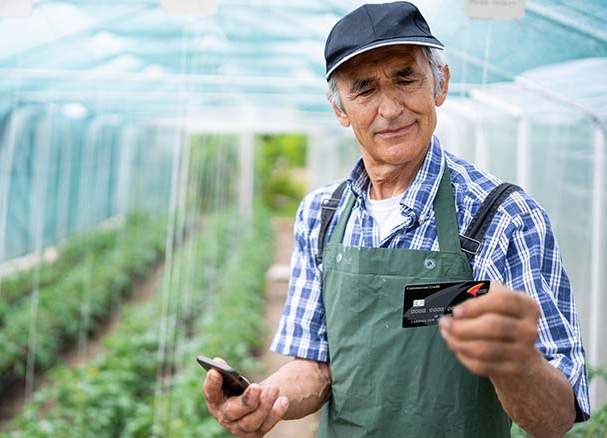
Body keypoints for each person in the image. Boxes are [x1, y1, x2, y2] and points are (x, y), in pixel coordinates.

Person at [202, 2, 591, 437]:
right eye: (364, 89)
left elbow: (556, 418)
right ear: (340, 109)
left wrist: (518, 363)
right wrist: (265, 399)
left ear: (439, 84)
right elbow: (316, 366)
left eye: (406, 78)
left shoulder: (501, 217)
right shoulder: (322, 215)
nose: (389, 109)